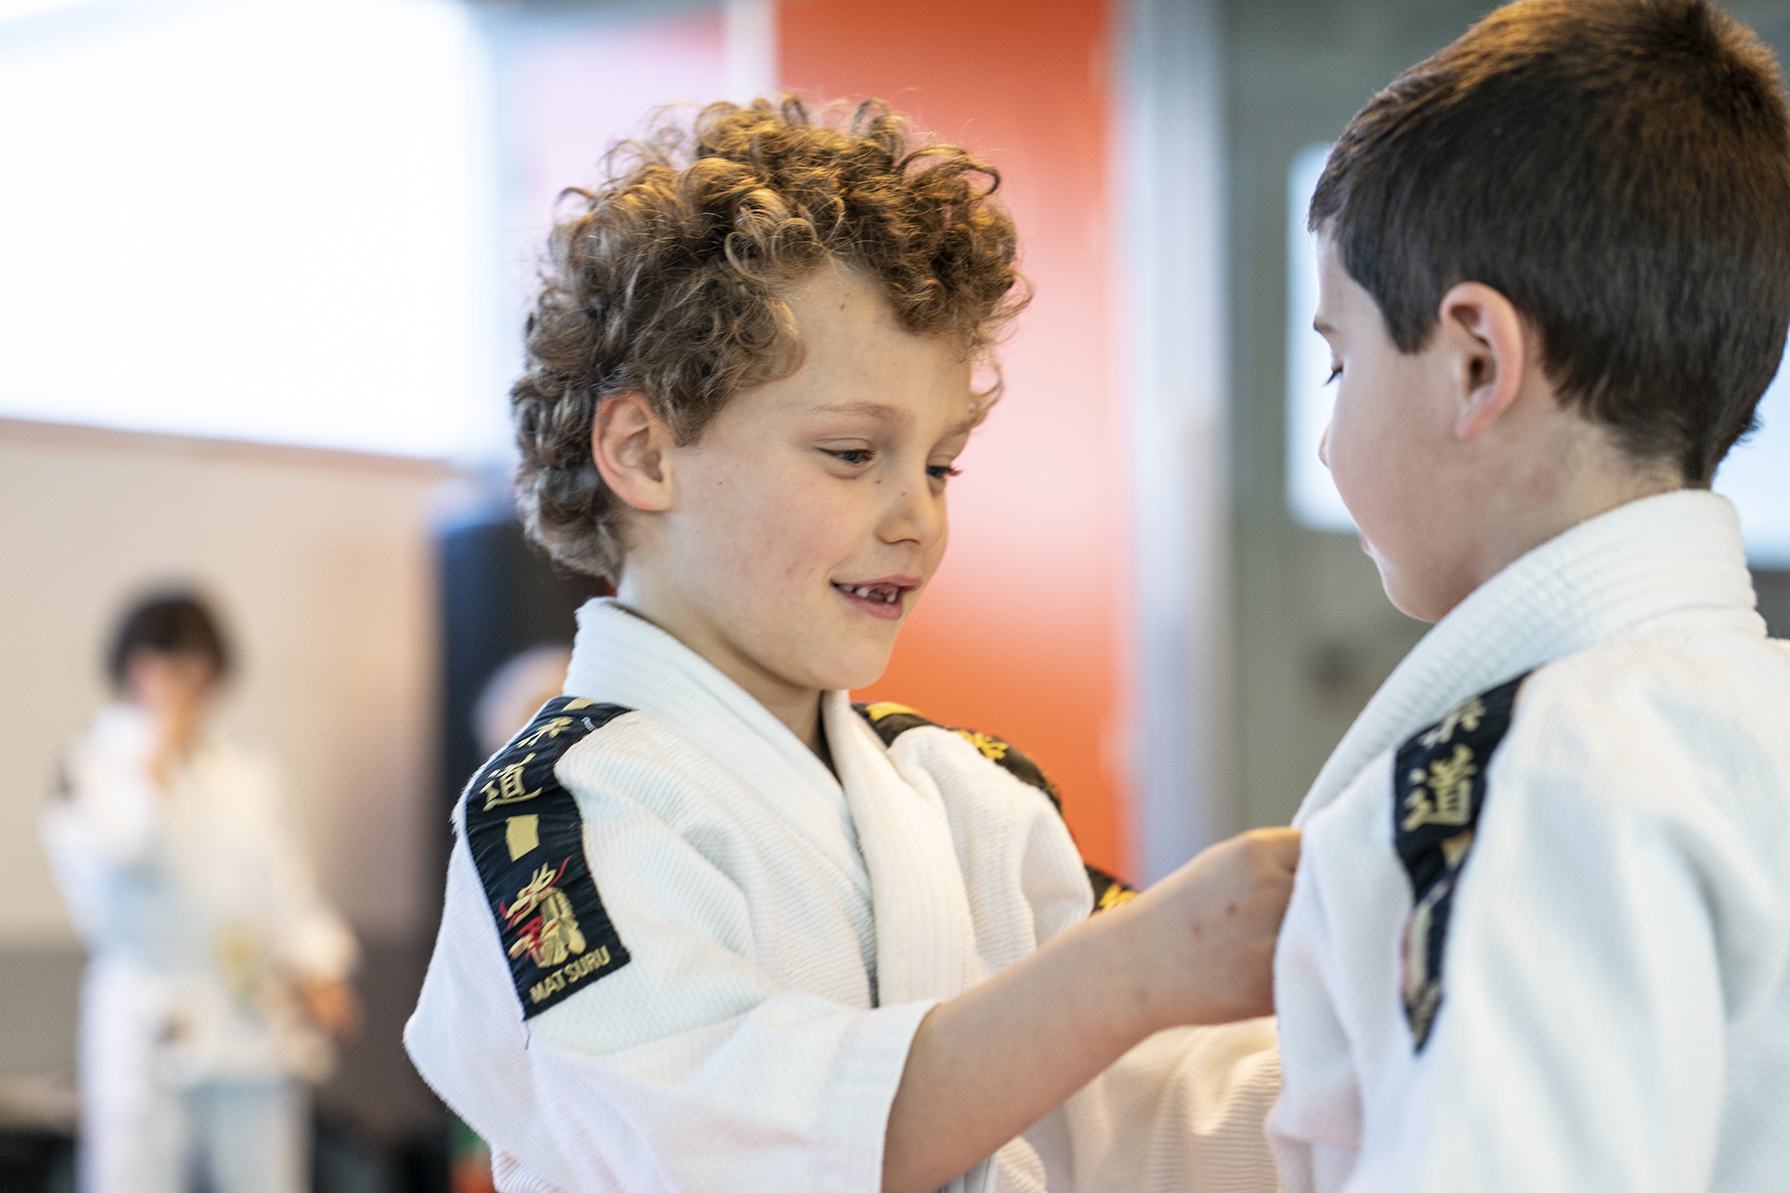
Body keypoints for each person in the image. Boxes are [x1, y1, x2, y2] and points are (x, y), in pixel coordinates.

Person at [405, 97, 1299, 1193]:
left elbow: (1144, 1098)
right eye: (848, 452)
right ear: (643, 449)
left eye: (938, 464)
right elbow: (725, 1144)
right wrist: (1132, 967)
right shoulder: (558, 817)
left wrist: (1374, 1048)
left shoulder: (963, 791)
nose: (914, 515)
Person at [1267, 2, 1790, 1189]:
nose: (1324, 438)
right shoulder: (1746, 711)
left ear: (1473, 362)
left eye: (1339, 358)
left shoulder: (1547, 766)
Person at [43, 592, 361, 1193]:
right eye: (164, 665)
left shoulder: (247, 772)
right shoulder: (91, 763)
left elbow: (286, 890)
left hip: (244, 1008)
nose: (183, 684)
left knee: (264, 1179)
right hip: (145, 1015)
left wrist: (320, 967)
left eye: (196, 668)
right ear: (132, 669)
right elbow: (120, 856)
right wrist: (158, 745)